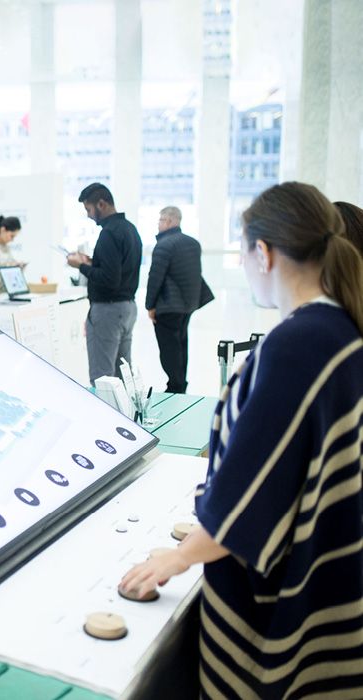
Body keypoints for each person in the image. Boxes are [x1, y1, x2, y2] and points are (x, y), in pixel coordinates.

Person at [119, 182, 363, 698]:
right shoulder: (341, 331)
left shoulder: (299, 343)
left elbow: (255, 486)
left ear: (263, 253)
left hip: (281, 609)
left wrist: (179, 557)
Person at [67, 183, 142, 386]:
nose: (89, 215)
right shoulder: (130, 229)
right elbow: (118, 268)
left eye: (88, 209)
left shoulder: (109, 233)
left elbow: (109, 279)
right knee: (122, 375)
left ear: (101, 204)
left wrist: (80, 266)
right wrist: (92, 262)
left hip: (108, 311)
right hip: (127, 308)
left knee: (104, 380)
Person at [145, 206, 214, 393]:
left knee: (169, 349)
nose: (158, 224)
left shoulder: (164, 245)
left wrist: (149, 305)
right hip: (188, 305)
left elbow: (155, 277)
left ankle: (175, 386)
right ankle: (180, 384)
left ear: (169, 221)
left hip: (167, 307)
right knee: (182, 344)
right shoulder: (193, 244)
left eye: (160, 220)